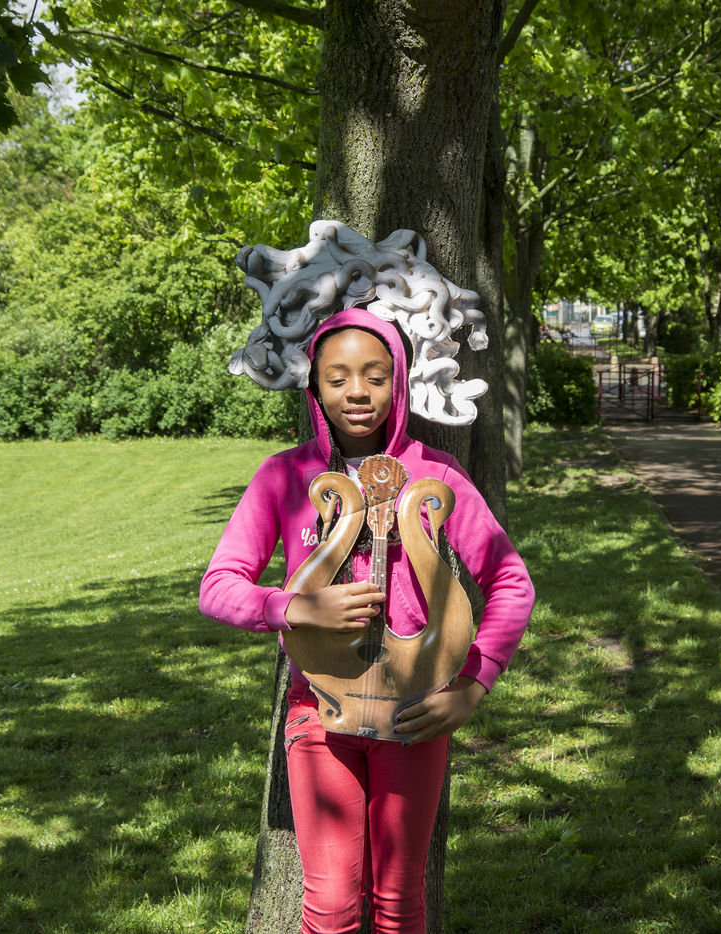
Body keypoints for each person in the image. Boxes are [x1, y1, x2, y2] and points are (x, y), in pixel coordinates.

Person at [200, 306, 534, 934]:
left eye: (376, 377)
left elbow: (512, 582)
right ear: (315, 386)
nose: (357, 392)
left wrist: (474, 684)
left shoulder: (435, 474)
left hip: (414, 712)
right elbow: (217, 588)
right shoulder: (284, 476)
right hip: (318, 710)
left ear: (398, 382)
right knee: (329, 904)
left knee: (400, 902)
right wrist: (294, 607)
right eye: (338, 378)